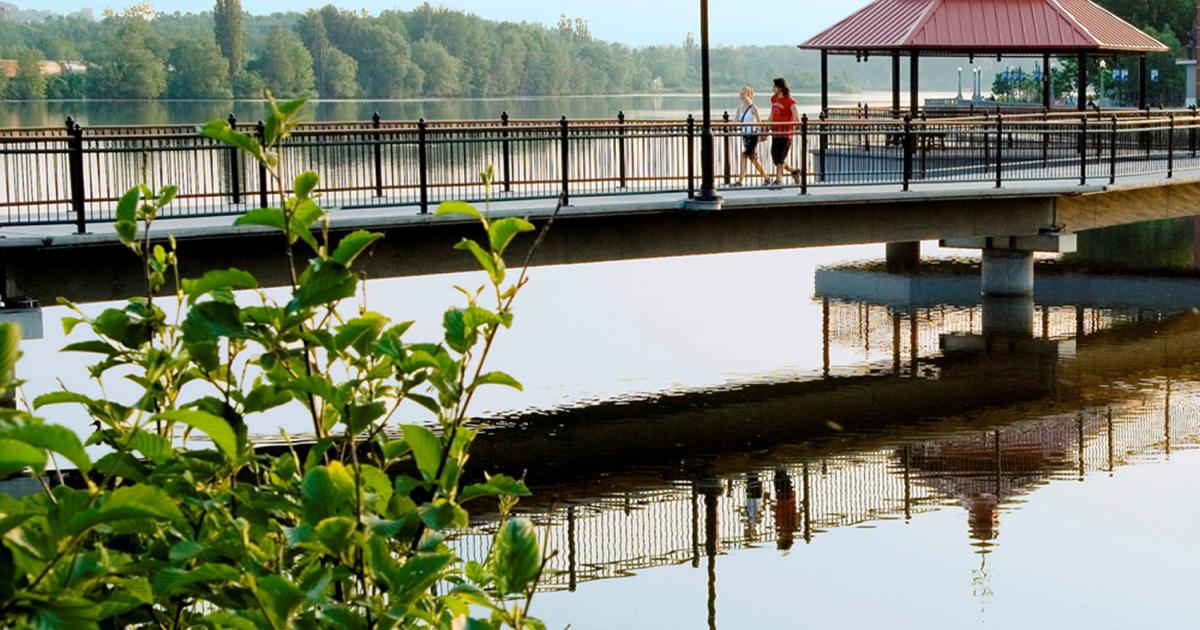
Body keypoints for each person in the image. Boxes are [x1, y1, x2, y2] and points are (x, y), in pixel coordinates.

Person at [768, 77, 802, 188]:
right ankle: (793, 172)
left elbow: (797, 117)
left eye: (775, 86)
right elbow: (772, 114)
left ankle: (779, 181)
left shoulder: (790, 101)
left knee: (780, 158)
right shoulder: (774, 99)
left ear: (780, 88)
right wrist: (766, 126)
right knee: (775, 156)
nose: (773, 88)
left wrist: (795, 127)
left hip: (786, 134)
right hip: (775, 133)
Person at [734, 86, 768, 187]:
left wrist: (761, 134)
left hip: (753, 135)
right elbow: (735, 121)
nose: (741, 96)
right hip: (745, 135)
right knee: (752, 158)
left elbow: (759, 121)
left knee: (744, 155)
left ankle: (739, 181)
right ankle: (766, 177)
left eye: (743, 94)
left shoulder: (753, 108)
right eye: (740, 94)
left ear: (749, 95)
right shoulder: (739, 109)